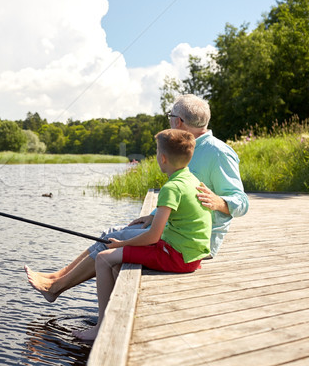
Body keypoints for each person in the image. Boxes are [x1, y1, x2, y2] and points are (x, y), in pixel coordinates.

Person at [24, 94, 248, 303]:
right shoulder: (186, 147)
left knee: (116, 237)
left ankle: (55, 288)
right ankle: (57, 277)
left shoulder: (218, 152)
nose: (169, 121)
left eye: (170, 117)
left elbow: (242, 202)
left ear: (178, 121)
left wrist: (219, 202)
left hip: (192, 242)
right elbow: (181, 197)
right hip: (173, 229)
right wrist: (151, 216)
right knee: (110, 232)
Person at [72, 129, 212, 340]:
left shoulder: (171, 188)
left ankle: (101, 327)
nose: (156, 156)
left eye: (157, 151)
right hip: (191, 255)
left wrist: (121, 244)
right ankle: (113, 316)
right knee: (116, 264)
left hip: (176, 256)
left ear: (162, 158)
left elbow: (153, 237)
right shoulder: (192, 180)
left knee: (103, 259)